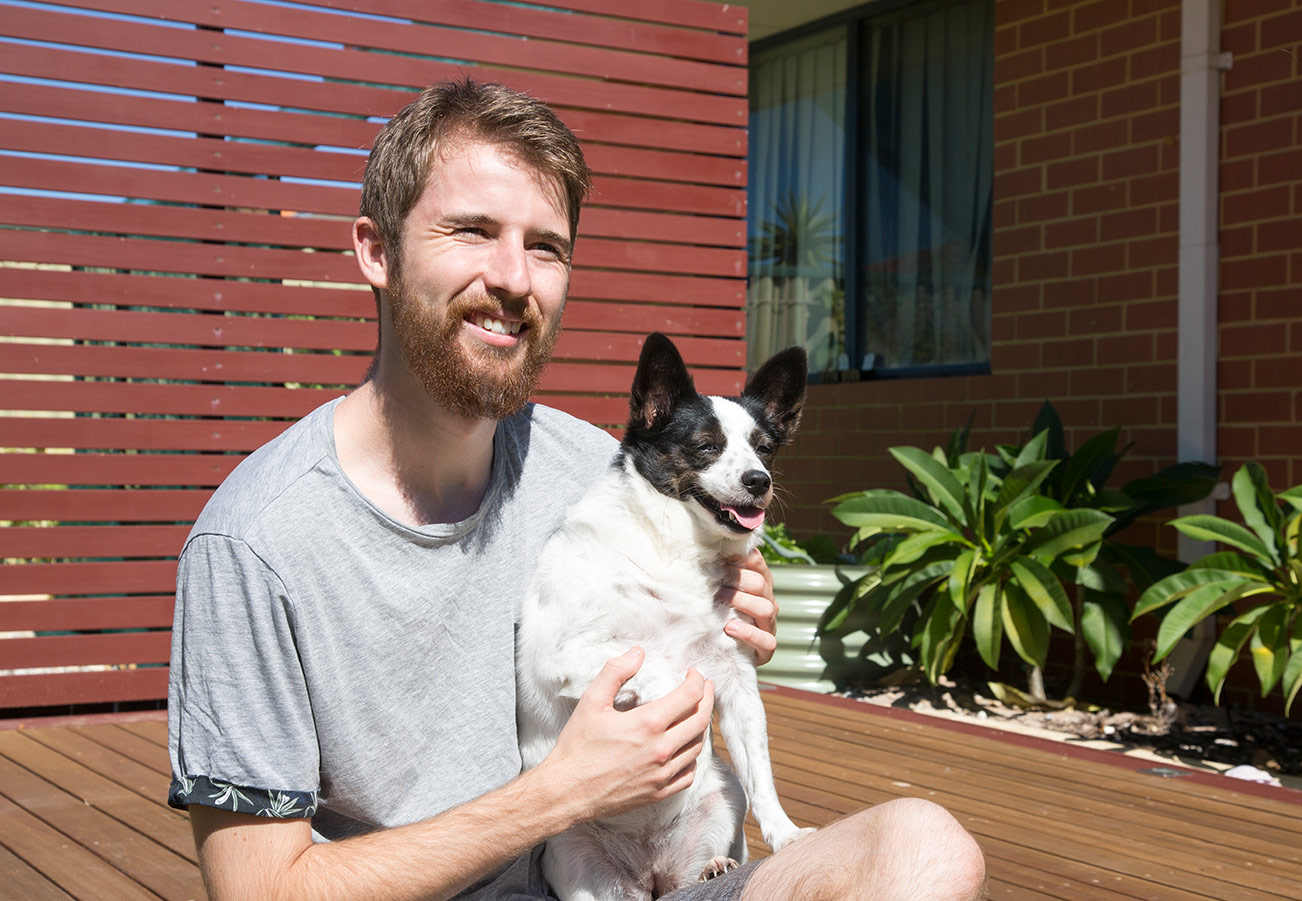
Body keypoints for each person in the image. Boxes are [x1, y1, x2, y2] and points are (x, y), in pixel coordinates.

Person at [167, 78, 986, 901]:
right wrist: (560, 792)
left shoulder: (603, 473)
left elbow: (713, 581)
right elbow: (261, 890)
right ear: (377, 252)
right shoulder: (256, 543)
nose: (513, 278)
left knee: (925, 847)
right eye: (472, 231)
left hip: (645, 871)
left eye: (546, 247)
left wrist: (730, 589)